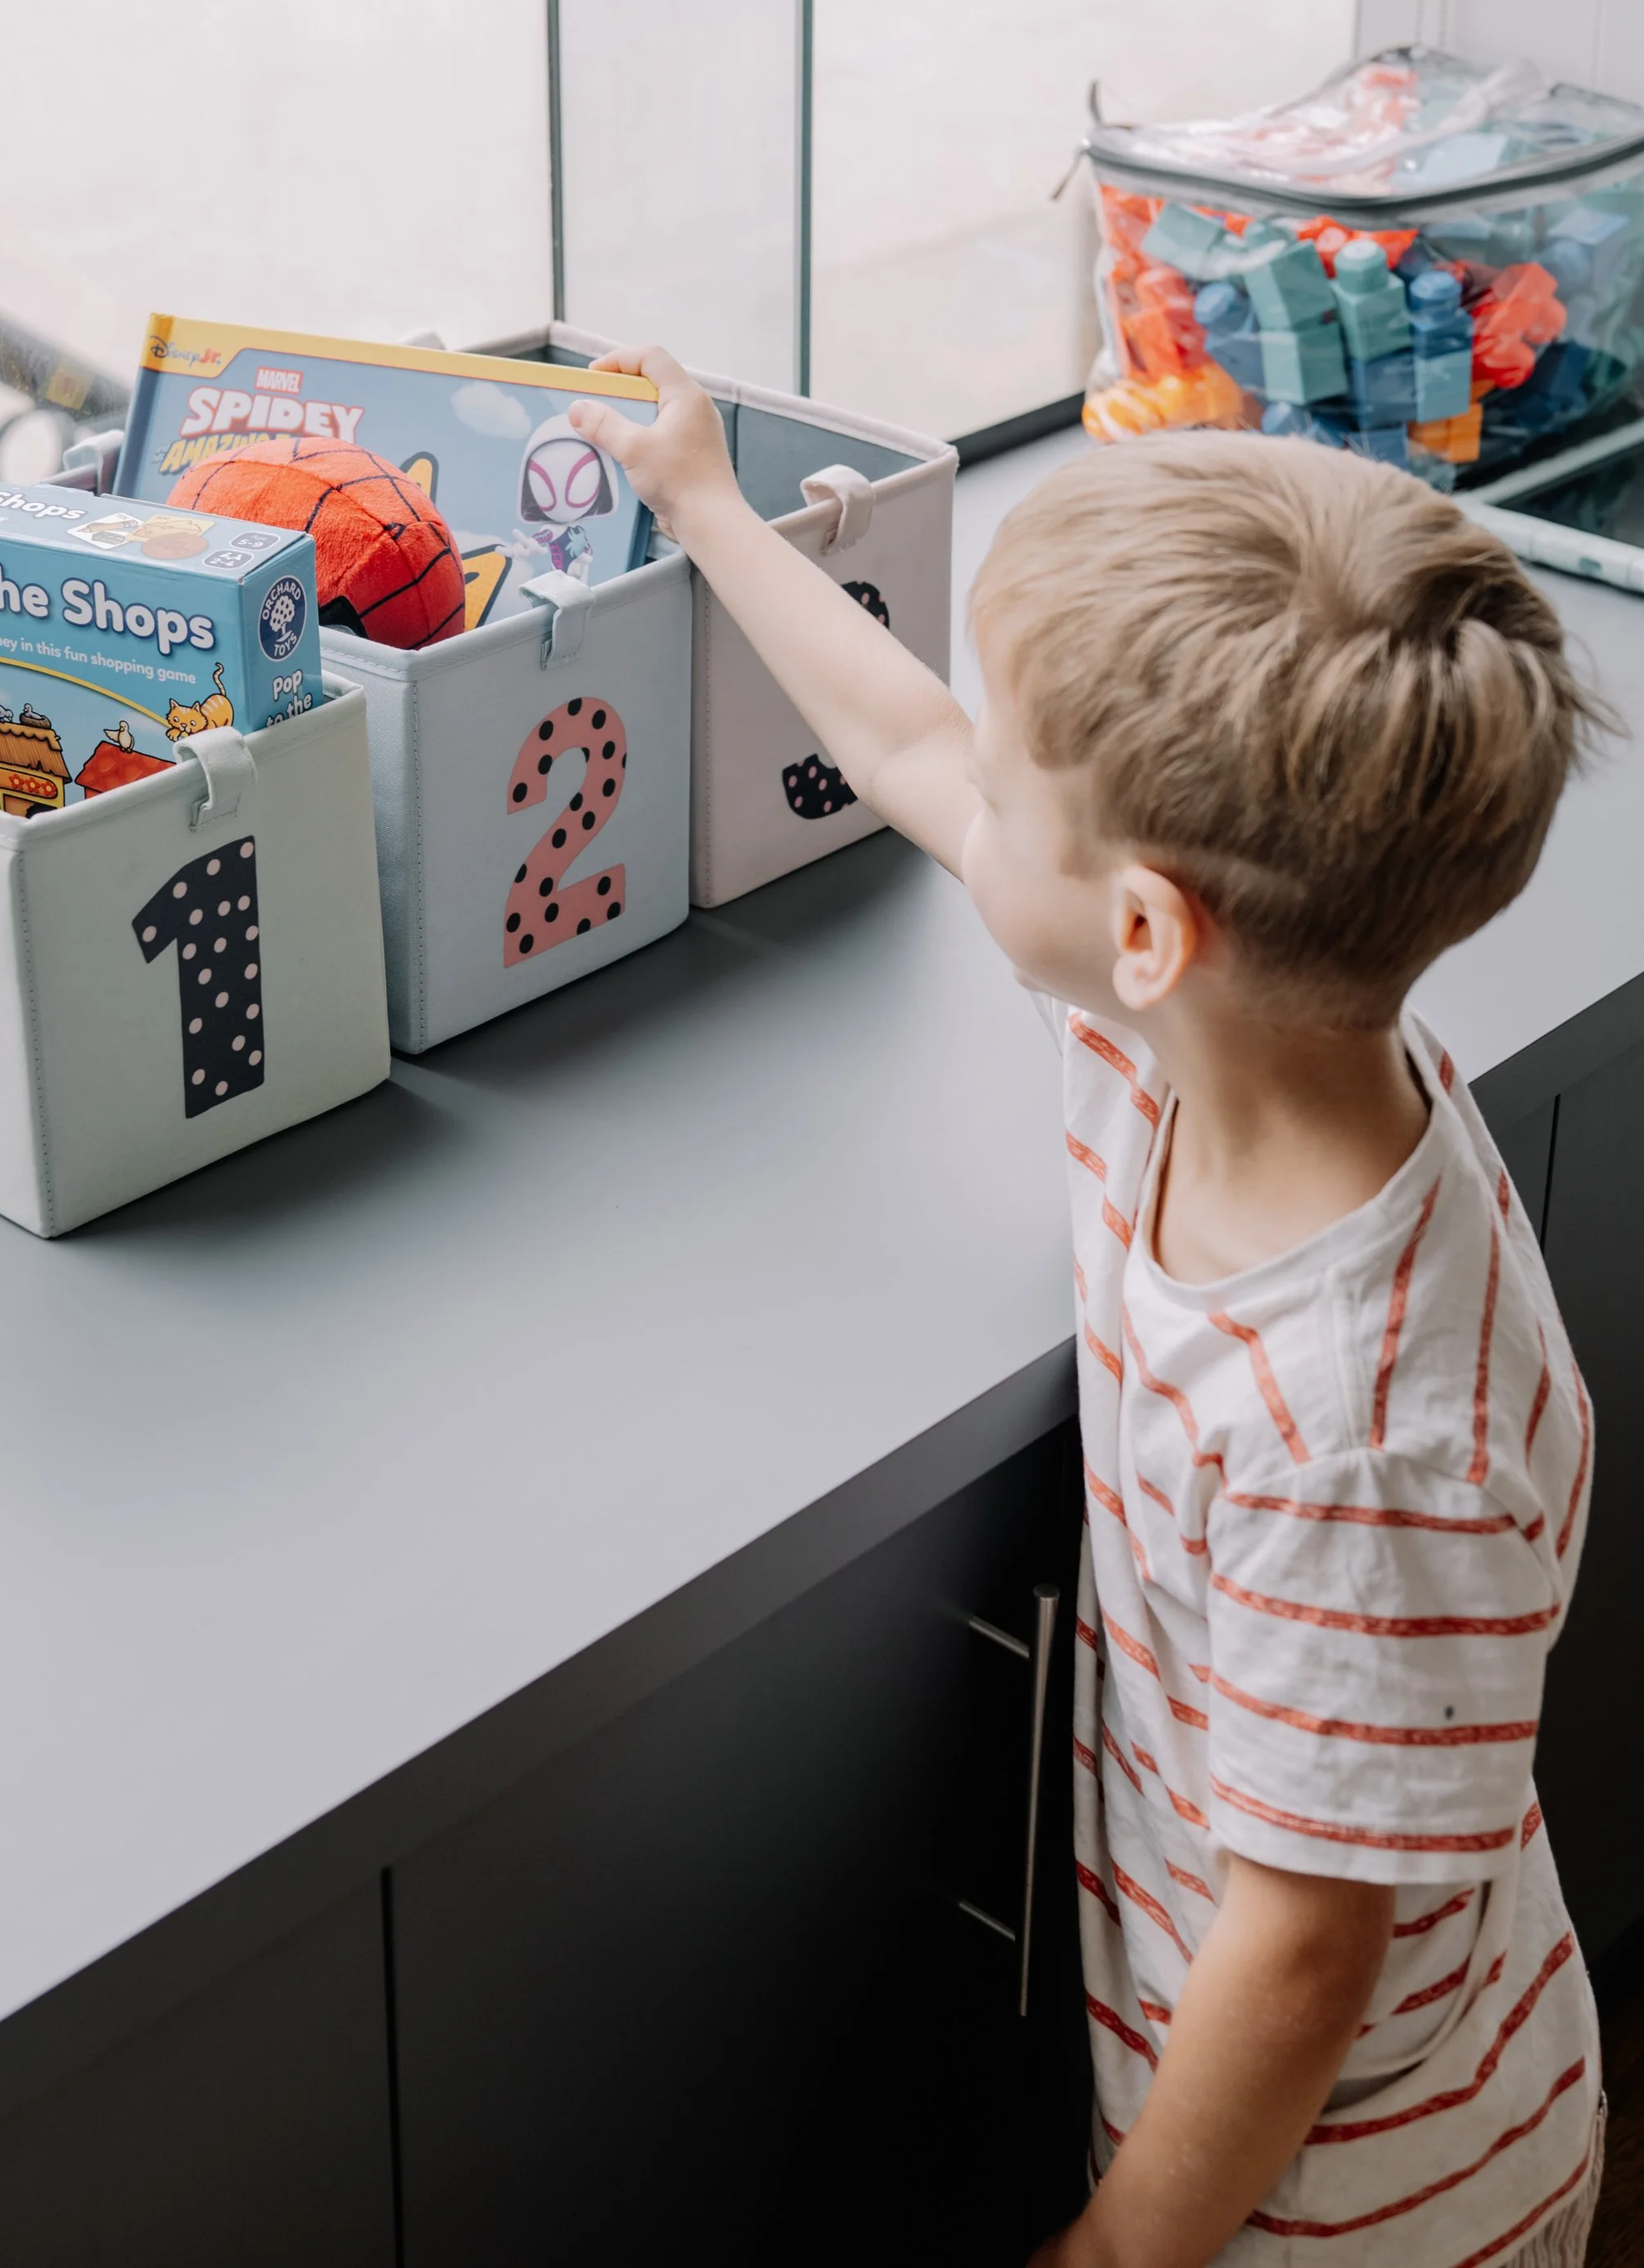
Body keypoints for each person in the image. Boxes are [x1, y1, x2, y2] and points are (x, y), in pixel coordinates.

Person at [568, 356, 1609, 2268]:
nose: (979, 792)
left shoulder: (1354, 1441)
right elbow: (907, 747)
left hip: (1345, 2206)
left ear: (1143, 926)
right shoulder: (1221, 1038)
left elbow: (1305, 1954)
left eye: (1019, 790)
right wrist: (705, 504)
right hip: (1282, 2099)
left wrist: (1117, 2255)